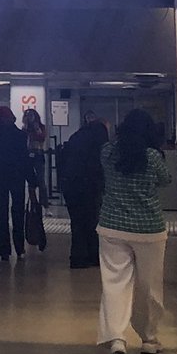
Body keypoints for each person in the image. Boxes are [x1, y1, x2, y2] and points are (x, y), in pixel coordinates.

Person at [97, 108, 171, 354]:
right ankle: (149, 339)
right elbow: (166, 180)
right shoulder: (152, 157)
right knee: (149, 285)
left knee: (115, 284)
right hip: (149, 229)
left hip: (112, 227)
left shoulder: (108, 152)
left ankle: (117, 339)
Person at [0, 105, 38, 261]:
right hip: (16, 178)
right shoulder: (19, 136)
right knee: (17, 212)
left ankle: (3, 251)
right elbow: (25, 161)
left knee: (0, 213)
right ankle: (19, 248)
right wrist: (32, 180)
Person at [61, 112, 109, 268]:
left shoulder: (76, 137)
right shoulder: (98, 140)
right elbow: (99, 164)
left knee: (77, 221)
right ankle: (92, 255)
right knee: (90, 220)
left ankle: (77, 257)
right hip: (88, 184)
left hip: (70, 184)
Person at [22, 107, 48, 206]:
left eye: (31, 116)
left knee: (41, 180)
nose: (29, 118)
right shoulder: (25, 129)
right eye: (27, 116)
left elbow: (42, 138)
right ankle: (33, 203)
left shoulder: (40, 127)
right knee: (31, 181)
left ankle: (45, 204)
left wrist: (37, 128)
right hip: (28, 155)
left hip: (38, 153)